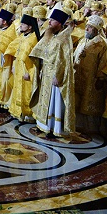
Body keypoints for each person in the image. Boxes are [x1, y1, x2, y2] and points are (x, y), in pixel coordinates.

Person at [29, 8, 75, 137]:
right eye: (49, 19)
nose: (49, 22)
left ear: (60, 23)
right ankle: (42, 125)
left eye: (53, 20)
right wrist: (40, 68)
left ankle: (53, 128)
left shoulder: (64, 39)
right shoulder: (51, 34)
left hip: (55, 76)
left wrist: (57, 76)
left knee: (53, 101)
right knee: (44, 100)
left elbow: (64, 61)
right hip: (46, 72)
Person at [73, 15, 107, 134]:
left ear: (97, 30)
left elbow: (104, 62)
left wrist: (101, 78)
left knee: (89, 104)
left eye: (90, 28)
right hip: (78, 75)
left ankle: (90, 130)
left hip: (92, 79)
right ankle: (77, 126)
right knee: (77, 102)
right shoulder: (82, 40)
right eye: (87, 27)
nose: (86, 29)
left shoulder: (102, 44)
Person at [6, 12, 40, 123]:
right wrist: (14, 65)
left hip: (27, 70)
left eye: (23, 24)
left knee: (26, 92)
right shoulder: (23, 36)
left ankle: (27, 115)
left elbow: (36, 60)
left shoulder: (34, 39)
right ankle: (17, 112)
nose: (20, 25)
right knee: (17, 89)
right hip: (19, 68)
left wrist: (30, 73)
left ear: (30, 27)